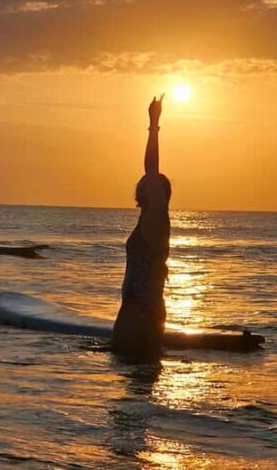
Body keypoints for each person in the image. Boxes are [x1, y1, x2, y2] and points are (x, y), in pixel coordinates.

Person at [111, 95, 171, 359]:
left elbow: (150, 168)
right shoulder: (146, 221)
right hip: (132, 310)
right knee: (130, 391)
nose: (147, 181)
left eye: (154, 183)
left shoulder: (157, 219)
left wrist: (154, 123)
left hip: (143, 314)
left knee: (138, 383)